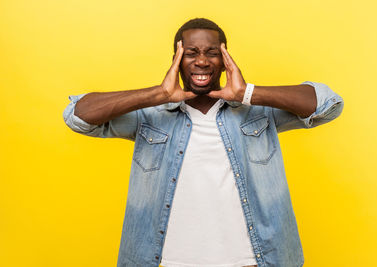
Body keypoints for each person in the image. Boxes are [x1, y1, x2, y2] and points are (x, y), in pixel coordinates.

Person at [63, 18, 344, 267]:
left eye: (212, 53)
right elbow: (78, 116)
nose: (201, 61)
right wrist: (158, 94)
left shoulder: (256, 112)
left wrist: (247, 93)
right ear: (176, 58)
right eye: (190, 53)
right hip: (166, 260)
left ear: (224, 60)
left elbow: (328, 104)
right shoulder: (150, 117)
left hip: (252, 260)